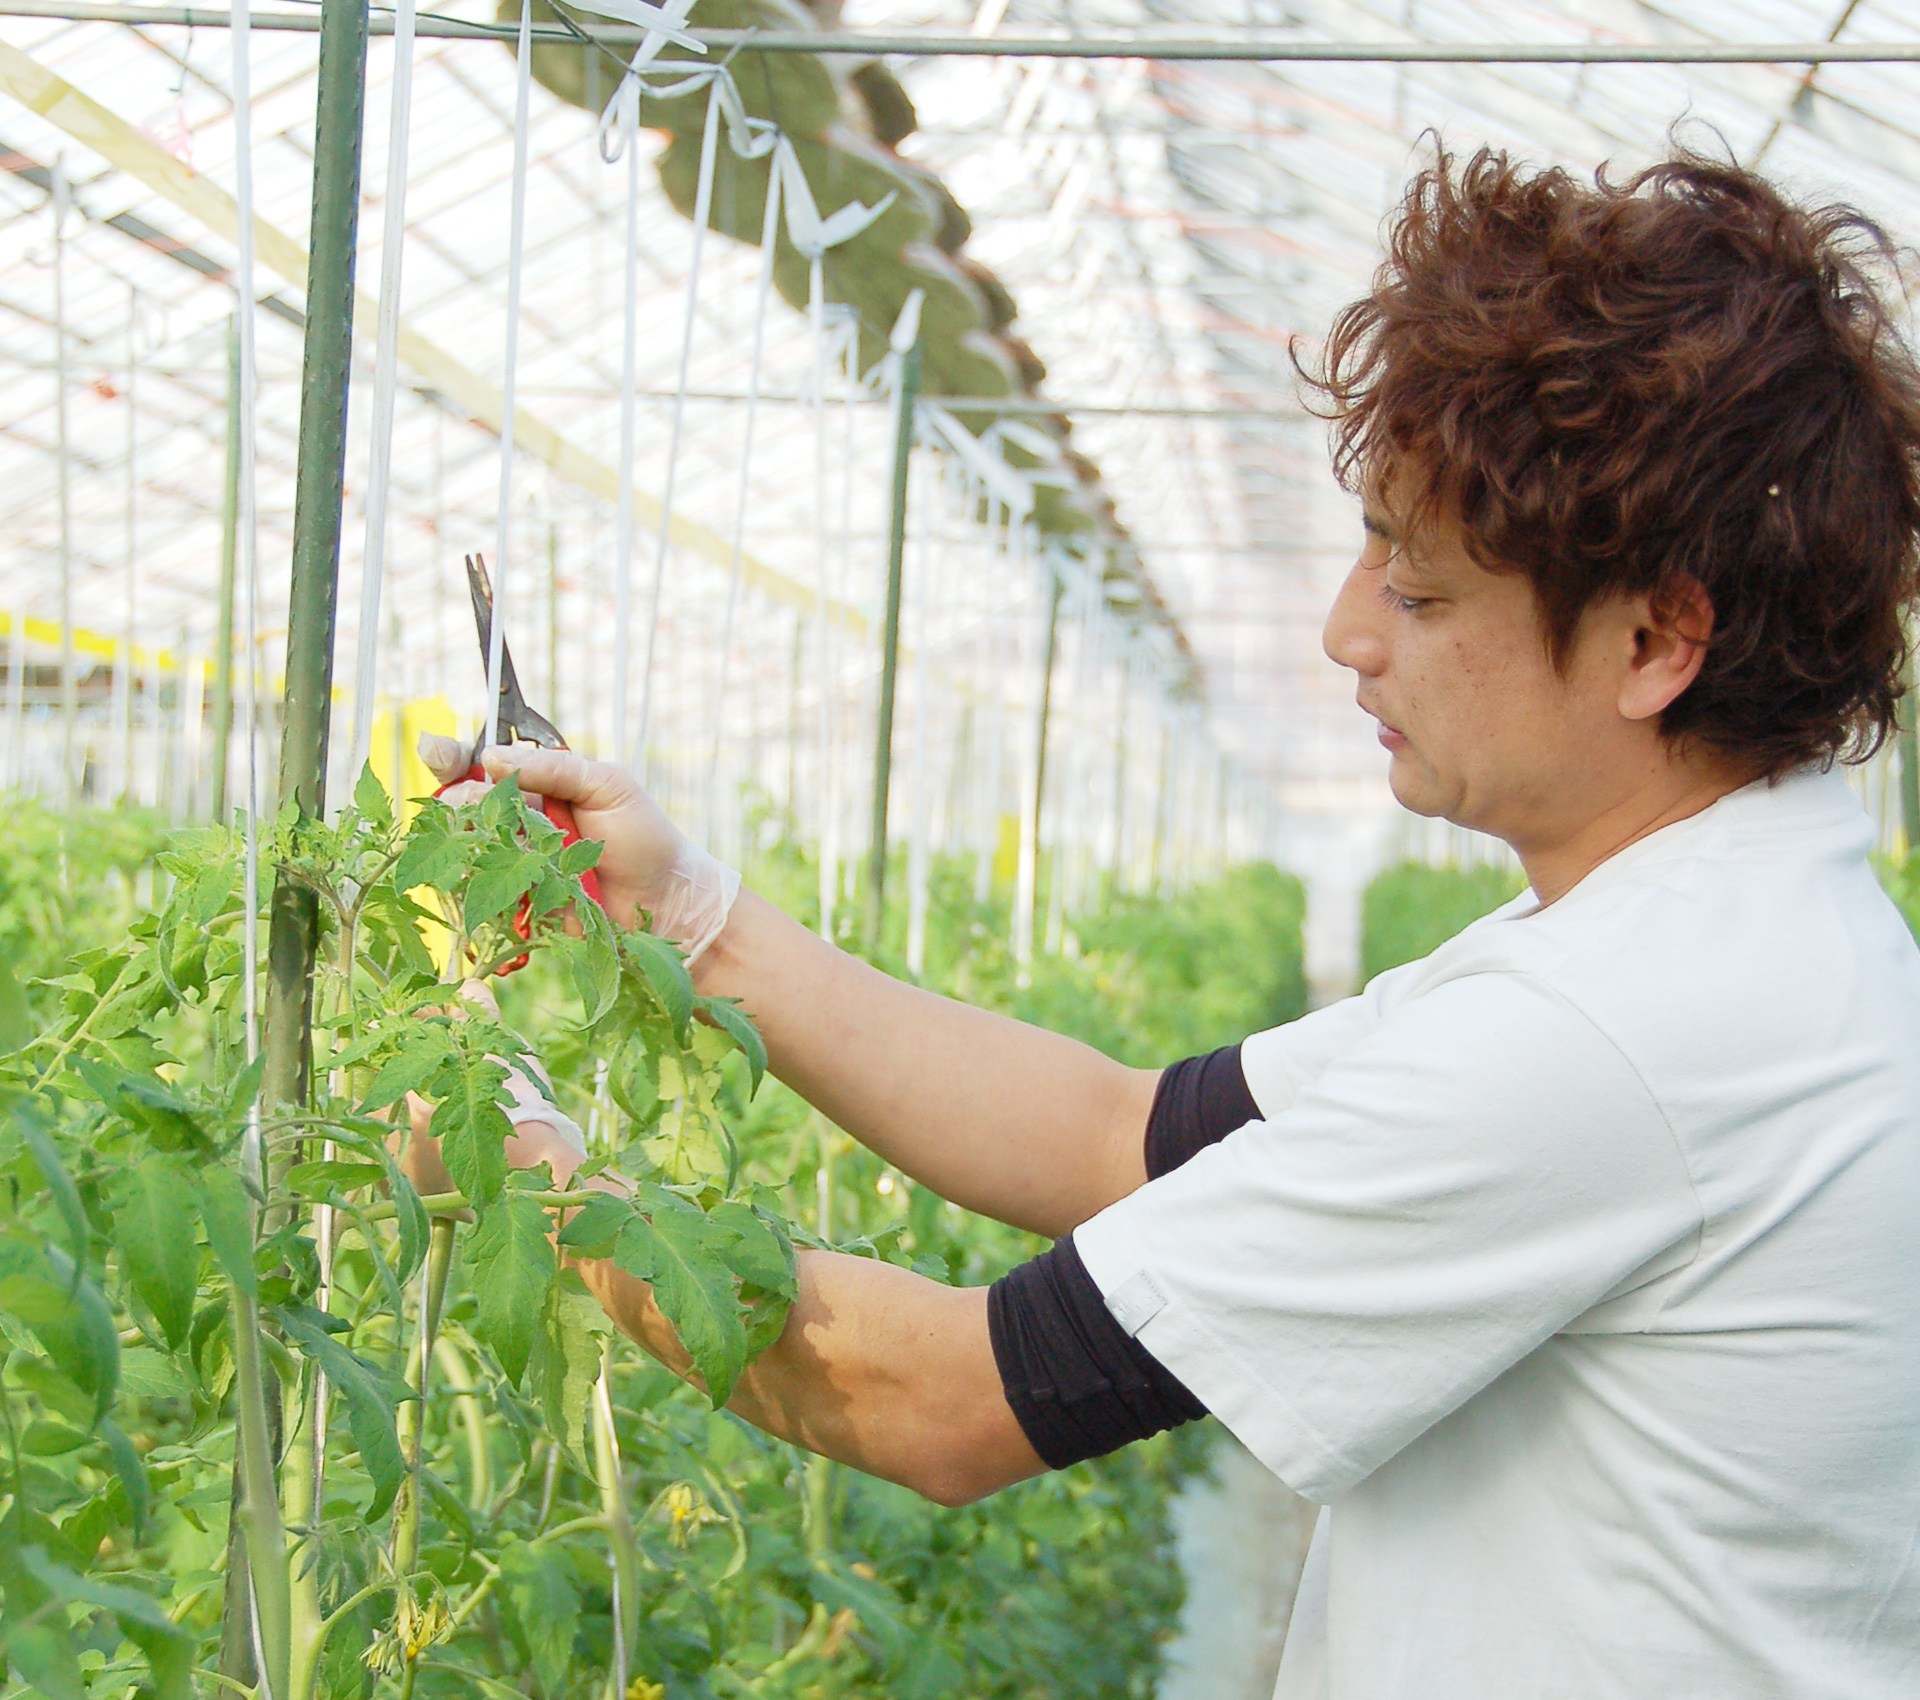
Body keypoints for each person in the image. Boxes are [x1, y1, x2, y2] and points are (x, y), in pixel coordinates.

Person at [408, 146, 1920, 1698]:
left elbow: (940, 1398)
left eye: (1420, 590)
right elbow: (1118, 1135)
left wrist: (516, 1164)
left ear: (1657, 638)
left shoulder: (1618, 1039)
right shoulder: (1700, 942)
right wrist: (687, 911)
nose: (1346, 632)